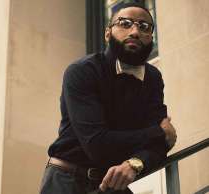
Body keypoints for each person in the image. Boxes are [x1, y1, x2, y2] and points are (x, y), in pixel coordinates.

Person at [39, 3, 177, 194]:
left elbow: (161, 146)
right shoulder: (82, 71)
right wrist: (158, 132)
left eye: (144, 26)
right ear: (107, 33)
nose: (135, 31)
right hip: (67, 180)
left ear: (151, 38)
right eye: (125, 23)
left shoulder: (153, 77)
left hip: (113, 181)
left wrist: (135, 163)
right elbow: (97, 145)